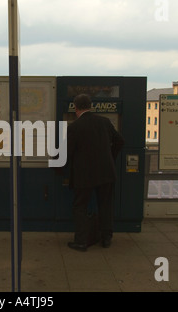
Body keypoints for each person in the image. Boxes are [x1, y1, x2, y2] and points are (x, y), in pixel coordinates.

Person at [66, 94, 125, 251]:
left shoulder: (74, 127)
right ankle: (106, 239)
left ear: (75, 107)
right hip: (106, 172)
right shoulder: (104, 122)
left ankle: (81, 241)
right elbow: (120, 141)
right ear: (90, 106)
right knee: (105, 205)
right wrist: (110, 157)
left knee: (80, 206)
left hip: (84, 175)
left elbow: (68, 152)